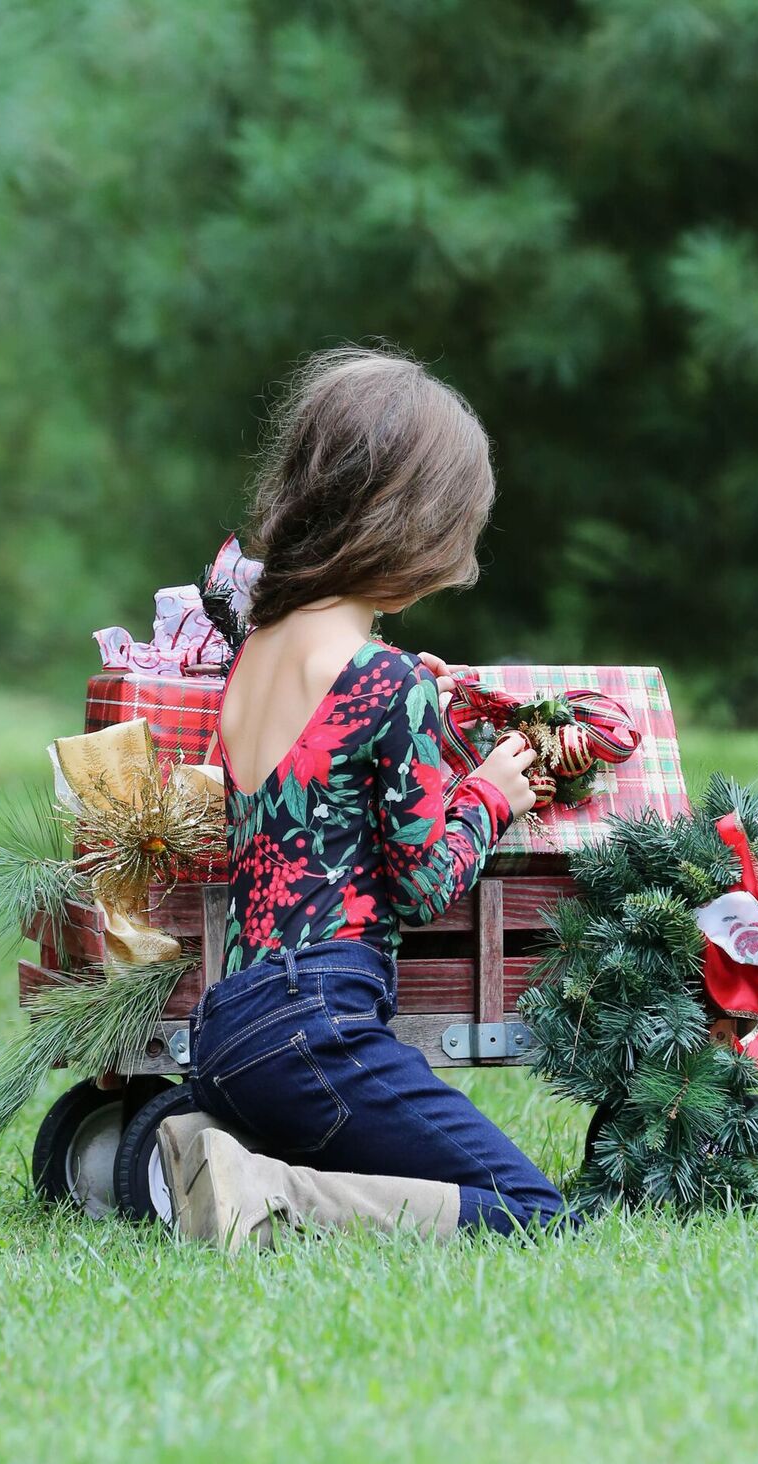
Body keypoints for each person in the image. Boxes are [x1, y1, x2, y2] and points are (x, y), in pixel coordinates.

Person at [158, 346, 579, 1251]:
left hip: (229, 1031)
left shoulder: (260, 655)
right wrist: (493, 796)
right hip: (316, 1027)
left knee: (403, 1157)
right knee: (533, 1211)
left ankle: (209, 1141)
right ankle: (268, 1194)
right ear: (414, 527)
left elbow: (323, 793)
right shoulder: (382, 680)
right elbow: (424, 882)